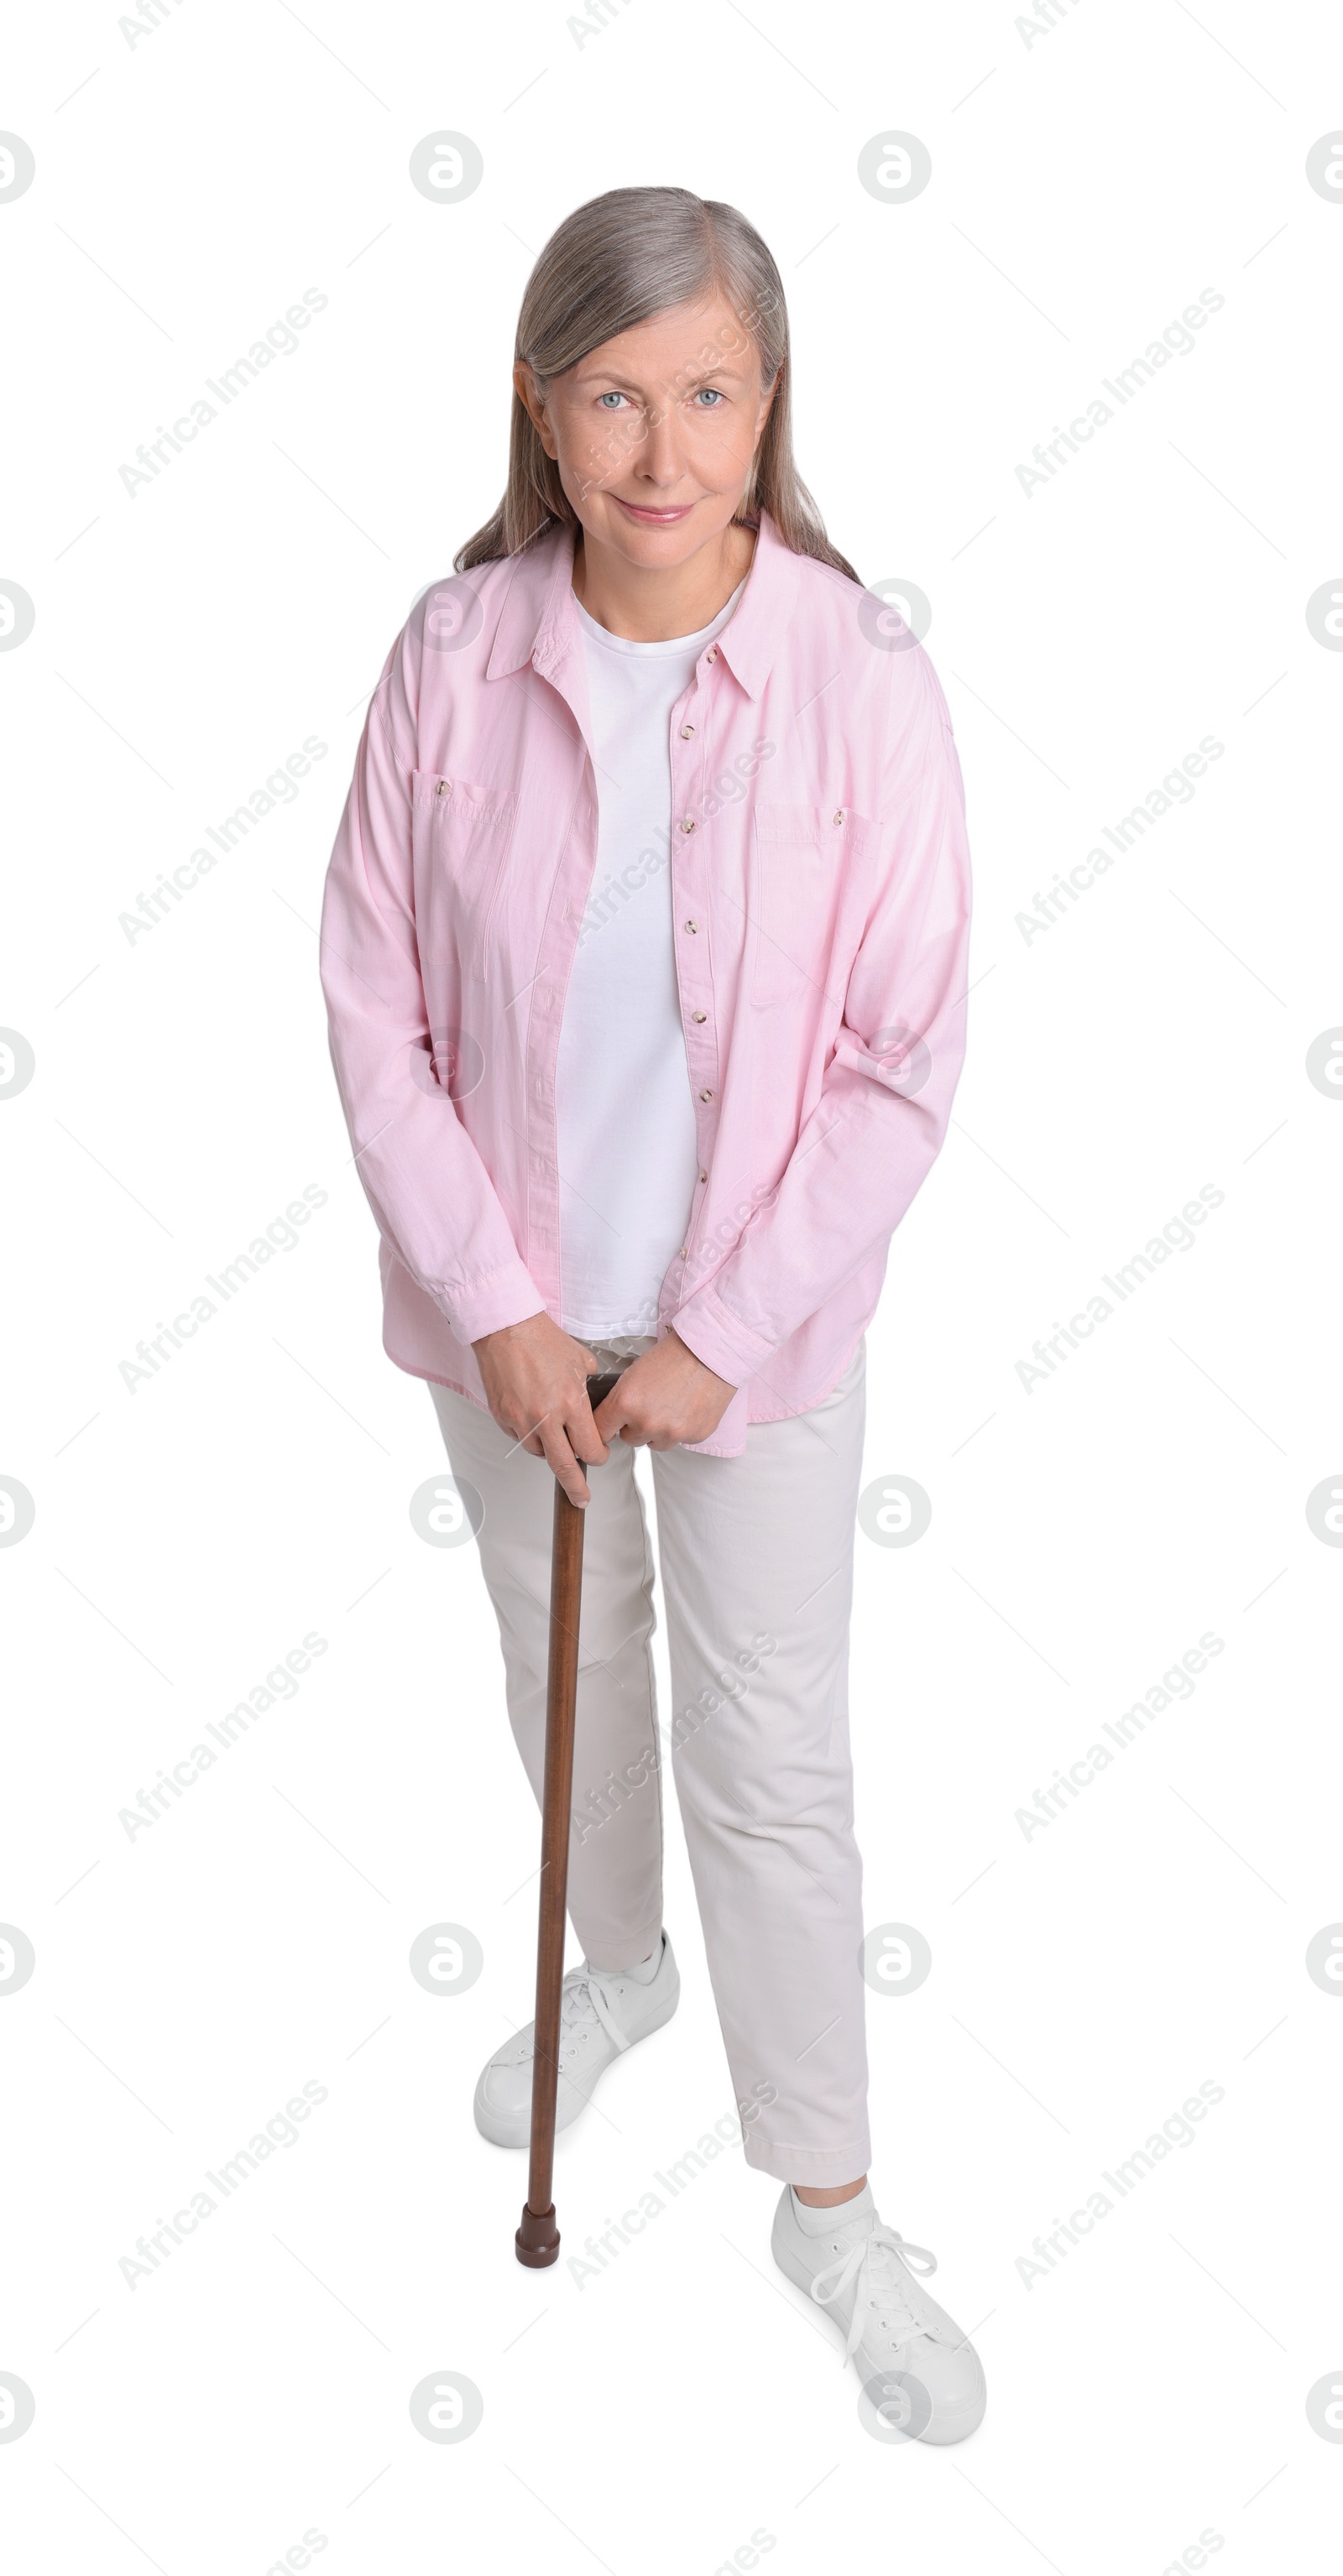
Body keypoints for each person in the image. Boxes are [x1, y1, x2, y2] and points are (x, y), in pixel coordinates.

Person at [320, 185, 982, 2442]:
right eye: (613, 393)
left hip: (759, 1348)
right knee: (558, 1673)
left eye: (707, 393)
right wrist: (498, 1301)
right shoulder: (451, 651)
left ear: (770, 406)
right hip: (511, 1337)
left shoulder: (858, 672)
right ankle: (618, 1974)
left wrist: (718, 1329)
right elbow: (372, 1007)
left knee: (774, 1757)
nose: (660, 448)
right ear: (543, 401)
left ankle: (833, 2202)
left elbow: (905, 1054)